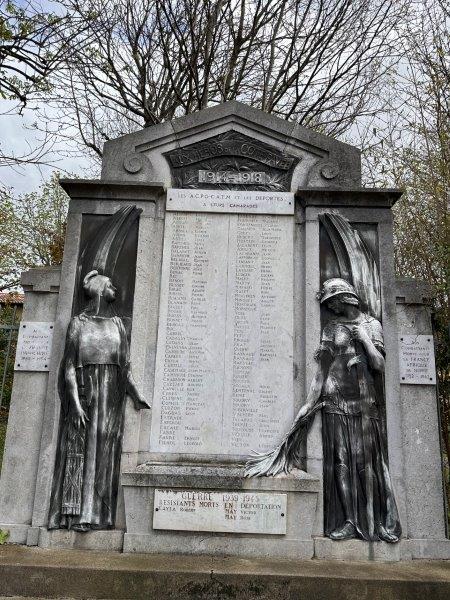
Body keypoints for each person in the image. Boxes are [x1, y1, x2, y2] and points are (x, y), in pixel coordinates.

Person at [245, 277, 401, 543]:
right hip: (334, 400)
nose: (333, 308)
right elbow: (321, 371)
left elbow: (380, 365)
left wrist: (364, 339)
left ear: (346, 298)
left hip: (364, 402)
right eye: (330, 304)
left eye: (335, 302)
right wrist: (308, 402)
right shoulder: (331, 328)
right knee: (340, 464)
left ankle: (373, 521)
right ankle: (349, 521)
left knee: (367, 465)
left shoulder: (371, 325)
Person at [48, 270, 150, 531]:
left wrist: (136, 395)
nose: (116, 289)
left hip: (111, 398)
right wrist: (76, 405)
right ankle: (78, 515)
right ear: (101, 290)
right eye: (111, 286)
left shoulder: (118, 325)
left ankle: (99, 516)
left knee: (105, 451)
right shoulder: (78, 324)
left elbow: (125, 367)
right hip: (85, 393)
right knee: (84, 451)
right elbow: (69, 367)